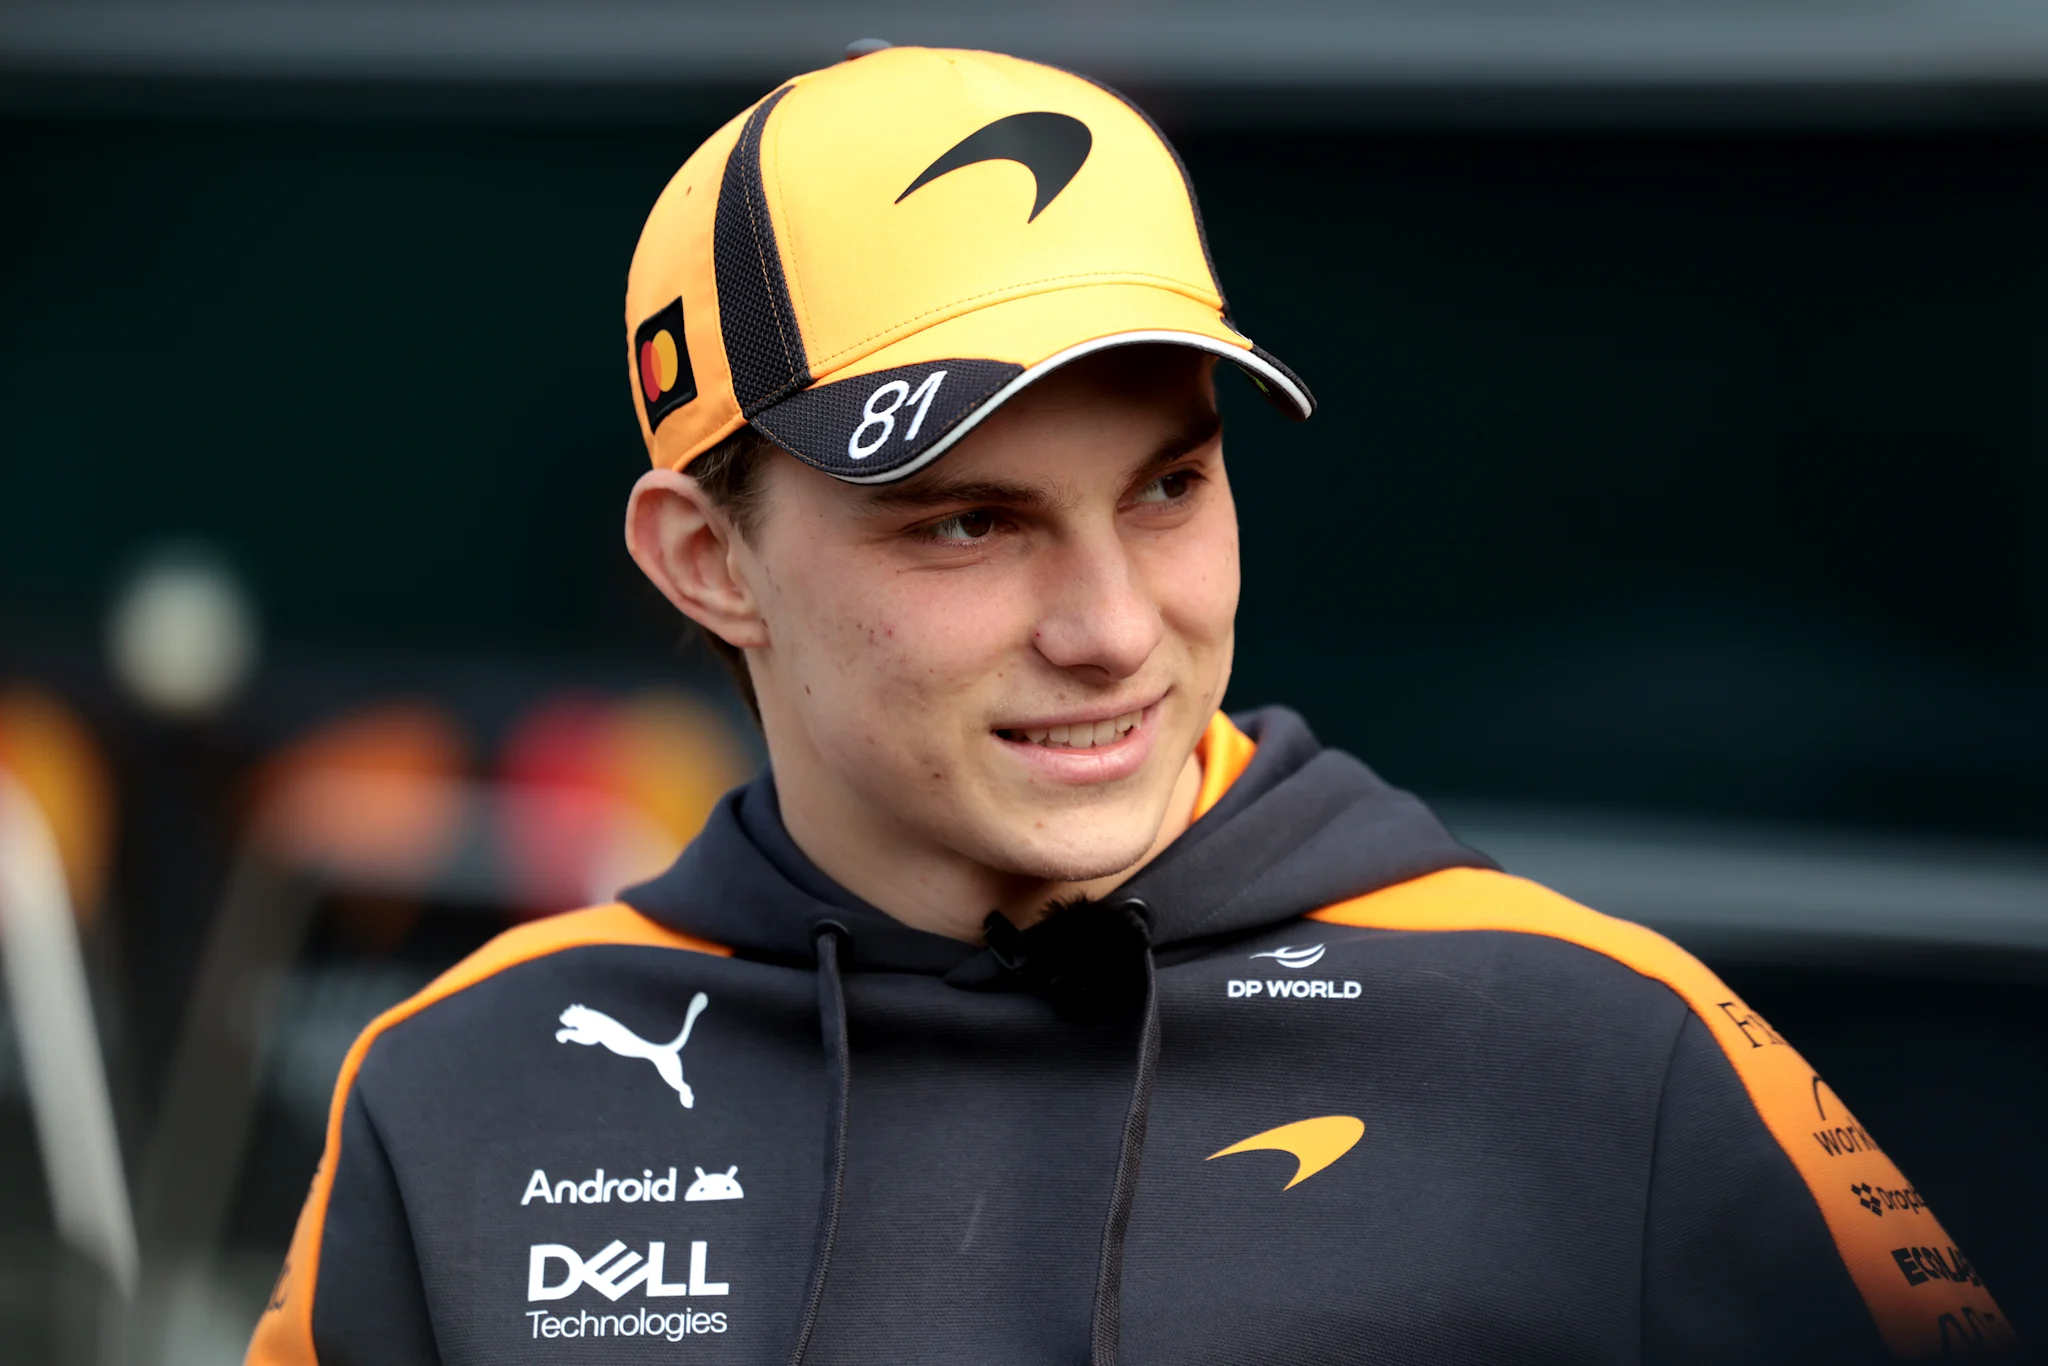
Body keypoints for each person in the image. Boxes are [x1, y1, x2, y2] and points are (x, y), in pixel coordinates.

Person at [247, 44, 2018, 1366]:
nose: (1113, 629)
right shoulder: (468, 1091)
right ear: (707, 559)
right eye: (971, 520)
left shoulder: (1594, 1045)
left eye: (1169, 489)